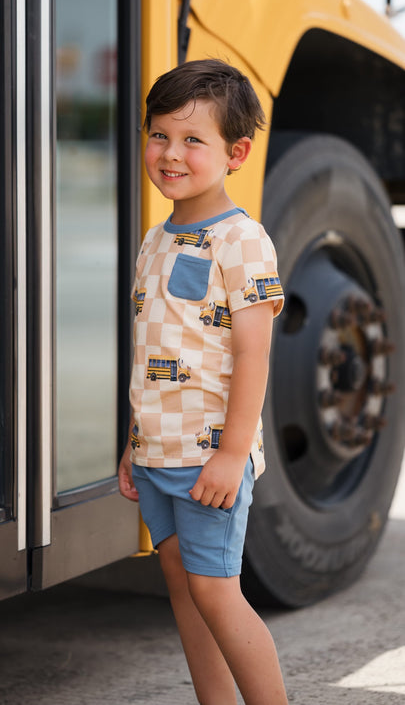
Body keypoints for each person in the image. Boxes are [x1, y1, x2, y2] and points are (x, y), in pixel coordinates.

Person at [118, 59, 288, 704]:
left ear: (236, 153)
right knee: (185, 590)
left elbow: (253, 357)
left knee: (217, 591)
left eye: (194, 140)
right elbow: (156, 347)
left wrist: (232, 453)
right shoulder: (155, 240)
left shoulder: (242, 241)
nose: (170, 153)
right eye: (159, 134)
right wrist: (135, 441)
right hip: (160, 449)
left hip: (209, 456)